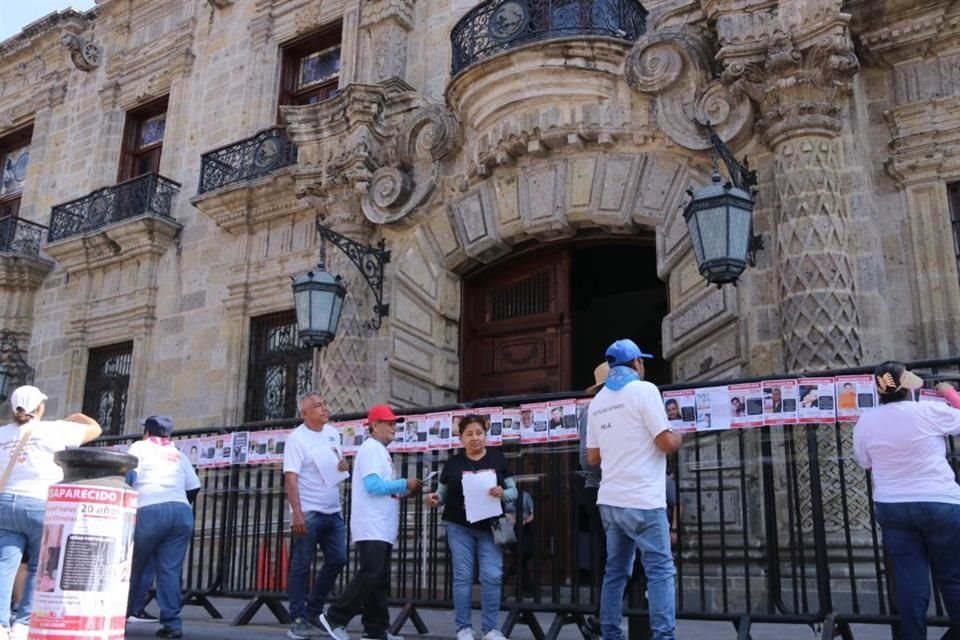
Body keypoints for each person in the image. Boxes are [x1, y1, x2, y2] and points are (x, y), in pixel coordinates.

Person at [853, 362, 960, 640]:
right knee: (952, 577)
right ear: (906, 387)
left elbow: (865, 462)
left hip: (893, 505)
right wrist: (949, 393)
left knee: (909, 580)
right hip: (939, 501)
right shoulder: (929, 410)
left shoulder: (866, 421)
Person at [586, 340, 682, 640]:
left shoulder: (597, 402)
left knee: (615, 572)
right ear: (637, 363)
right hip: (643, 499)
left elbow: (592, 458)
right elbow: (665, 443)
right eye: (643, 362)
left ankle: (610, 635)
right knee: (660, 571)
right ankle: (663, 637)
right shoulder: (645, 390)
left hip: (611, 499)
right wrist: (680, 436)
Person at [0, 385, 101, 639]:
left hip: (6, 503)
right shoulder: (56, 429)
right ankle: (23, 624)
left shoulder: (2, 434)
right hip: (39, 503)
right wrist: (81, 418)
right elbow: (96, 430)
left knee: (5, 565)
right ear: (40, 407)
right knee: (39, 567)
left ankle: (1, 626)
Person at [318, 405, 422, 640]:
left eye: (395, 423)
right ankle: (335, 617)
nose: (394, 428)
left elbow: (385, 490)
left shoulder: (380, 451)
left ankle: (375, 630)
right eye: (389, 423)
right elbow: (373, 487)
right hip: (371, 523)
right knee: (370, 573)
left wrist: (407, 491)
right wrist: (404, 483)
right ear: (374, 426)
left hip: (381, 524)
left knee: (379, 579)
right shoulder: (371, 449)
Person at [425, 414, 517, 640]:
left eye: (479, 433)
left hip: (490, 527)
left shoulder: (498, 460)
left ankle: (490, 629)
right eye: (469, 434)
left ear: (485, 435)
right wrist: (435, 498)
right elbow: (442, 494)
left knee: (492, 575)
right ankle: (464, 628)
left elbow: (514, 492)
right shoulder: (453, 463)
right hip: (459, 526)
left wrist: (502, 493)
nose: (475, 438)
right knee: (463, 576)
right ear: (461, 438)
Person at [126, 416, 201, 639]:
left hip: (148, 509)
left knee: (131, 567)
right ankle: (172, 624)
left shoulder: (139, 447)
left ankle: (119, 616)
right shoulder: (178, 454)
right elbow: (194, 486)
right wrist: (178, 504)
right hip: (180, 512)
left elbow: (129, 478)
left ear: (147, 433)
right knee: (170, 570)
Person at [284, 392, 349, 640]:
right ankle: (298, 618)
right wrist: (297, 514)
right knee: (301, 565)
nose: (324, 408)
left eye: (325, 404)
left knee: (339, 559)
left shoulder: (332, 432)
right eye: (317, 406)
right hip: (309, 512)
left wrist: (343, 466)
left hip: (333, 511)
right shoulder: (296, 439)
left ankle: (314, 610)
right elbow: (291, 479)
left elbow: (338, 463)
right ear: (304, 413)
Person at [503, 488, 534, 597]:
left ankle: (508, 575)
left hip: (524, 527)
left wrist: (524, 521)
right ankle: (526, 589)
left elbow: (532, 513)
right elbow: (500, 511)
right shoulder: (504, 495)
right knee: (520, 556)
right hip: (509, 528)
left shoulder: (526, 495)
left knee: (525, 553)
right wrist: (508, 516)